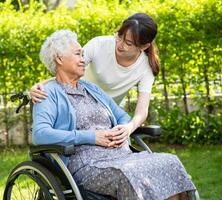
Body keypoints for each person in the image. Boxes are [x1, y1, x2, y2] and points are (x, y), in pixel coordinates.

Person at [32, 29, 196, 200]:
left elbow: (122, 116)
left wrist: (123, 129)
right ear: (59, 58)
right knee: (129, 174)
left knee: (170, 162)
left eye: (83, 55)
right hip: (86, 163)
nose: (83, 60)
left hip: (120, 155)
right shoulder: (47, 94)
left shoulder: (91, 89)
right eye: (78, 54)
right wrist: (92, 137)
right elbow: (40, 134)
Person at [30, 13, 160, 142]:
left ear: (144, 46)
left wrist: (128, 127)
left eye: (128, 43)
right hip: (75, 106)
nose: (120, 44)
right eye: (119, 36)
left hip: (107, 110)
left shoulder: (145, 67)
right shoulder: (99, 45)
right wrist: (40, 85)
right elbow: (67, 69)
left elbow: (141, 111)